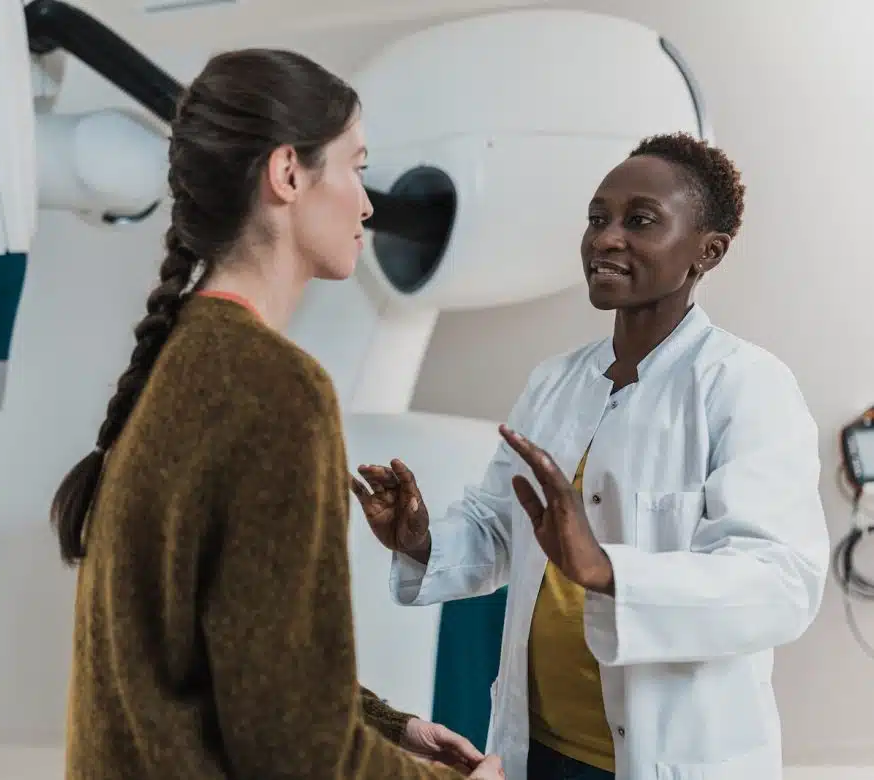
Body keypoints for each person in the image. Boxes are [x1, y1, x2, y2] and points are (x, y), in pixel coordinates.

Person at [50, 47, 505, 780]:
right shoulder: (279, 391)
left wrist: (396, 727)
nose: (366, 202)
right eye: (356, 166)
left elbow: (245, 667)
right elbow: (298, 754)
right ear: (288, 173)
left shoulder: (180, 361)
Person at [352, 132, 829, 780]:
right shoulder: (555, 382)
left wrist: (608, 571)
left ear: (706, 252)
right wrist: (420, 540)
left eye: (640, 221)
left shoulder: (745, 386)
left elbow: (780, 583)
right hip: (536, 749)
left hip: (668, 759)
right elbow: (497, 530)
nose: (605, 238)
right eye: (597, 218)